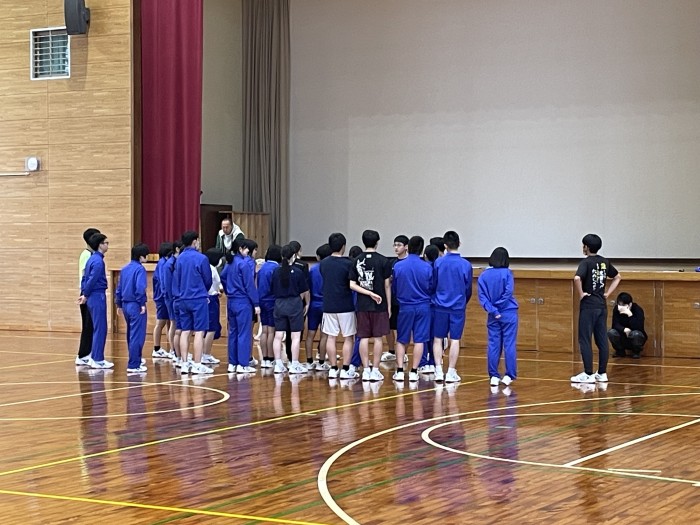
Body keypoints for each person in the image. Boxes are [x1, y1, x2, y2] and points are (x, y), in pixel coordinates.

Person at [572, 233, 621, 384]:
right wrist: (607, 293)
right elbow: (617, 277)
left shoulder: (586, 263)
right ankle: (602, 373)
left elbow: (577, 278)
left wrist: (581, 294)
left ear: (586, 247)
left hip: (588, 305)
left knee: (585, 338)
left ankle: (588, 373)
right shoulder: (604, 262)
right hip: (601, 305)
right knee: (602, 339)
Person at [349, 230, 392, 382]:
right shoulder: (384, 261)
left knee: (363, 337)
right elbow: (387, 286)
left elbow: (352, 284)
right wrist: (388, 306)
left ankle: (366, 370)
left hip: (362, 305)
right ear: (377, 242)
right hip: (379, 305)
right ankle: (375, 370)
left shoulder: (356, 260)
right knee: (378, 338)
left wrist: (367, 293)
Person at [432, 230, 473, 383]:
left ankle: (438, 370)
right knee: (455, 339)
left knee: (437, 338)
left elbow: (433, 284)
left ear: (445, 245)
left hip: (440, 305)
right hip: (457, 306)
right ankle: (451, 372)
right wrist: (463, 301)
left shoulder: (438, 262)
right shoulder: (466, 264)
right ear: (459, 243)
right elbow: (468, 288)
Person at [172, 230, 214, 375]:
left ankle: (184, 363)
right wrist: (203, 291)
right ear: (195, 241)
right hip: (198, 299)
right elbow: (208, 280)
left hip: (183, 298)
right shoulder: (201, 258)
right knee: (199, 332)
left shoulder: (179, 259)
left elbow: (177, 279)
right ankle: (197, 364)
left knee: (185, 331)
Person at [392, 236, 433, 382]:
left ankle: (400, 371)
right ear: (422, 250)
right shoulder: (427, 267)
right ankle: (414, 371)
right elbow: (431, 287)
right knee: (419, 339)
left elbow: (395, 287)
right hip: (423, 306)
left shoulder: (398, 266)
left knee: (401, 339)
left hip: (405, 306)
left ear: (408, 247)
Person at [477, 247, 518, 387]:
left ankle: (493, 376)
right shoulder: (507, 273)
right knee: (509, 344)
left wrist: (493, 310)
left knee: (493, 345)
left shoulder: (483, 275)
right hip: (509, 312)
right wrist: (499, 306)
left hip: (492, 315)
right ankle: (509, 375)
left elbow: (482, 297)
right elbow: (508, 292)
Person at [320, 232, 357, 380]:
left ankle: (333, 368)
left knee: (331, 337)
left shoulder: (323, 263)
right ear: (343, 246)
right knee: (348, 337)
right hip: (346, 305)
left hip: (329, 304)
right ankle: (346, 368)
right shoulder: (348, 263)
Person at [221, 238, 260, 374]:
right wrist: (256, 303)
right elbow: (250, 286)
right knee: (244, 333)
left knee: (233, 333)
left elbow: (223, 277)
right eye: (245, 248)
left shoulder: (229, 263)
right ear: (240, 249)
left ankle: (232, 363)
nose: (248, 250)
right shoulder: (243, 264)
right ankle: (243, 364)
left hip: (231, 301)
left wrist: (228, 290)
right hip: (243, 301)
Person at [272, 245, 310, 374]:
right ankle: (294, 364)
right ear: (294, 256)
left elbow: (272, 288)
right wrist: (307, 304)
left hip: (279, 303)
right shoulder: (298, 272)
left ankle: (278, 364)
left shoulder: (275, 271)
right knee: (295, 336)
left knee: (278, 335)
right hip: (294, 303)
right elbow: (304, 290)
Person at [78, 232, 113, 369]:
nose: (107, 245)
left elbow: (84, 278)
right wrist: (86, 294)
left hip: (92, 295)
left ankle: (95, 357)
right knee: (100, 327)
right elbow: (92, 279)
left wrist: (84, 293)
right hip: (97, 295)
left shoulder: (92, 259)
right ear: (100, 245)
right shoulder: (98, 261)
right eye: (106, 243)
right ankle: (97, 359)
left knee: (97, 327)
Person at [115, 243, 150, 373]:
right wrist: (142, 303)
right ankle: (134, 364)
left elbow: (119, 288)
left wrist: (118, 304)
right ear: (141, 256)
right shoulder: (140, 269)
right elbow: (140, 288)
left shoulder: (124, 269)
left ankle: (135, 360)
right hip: (135, 304)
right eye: (146, 255)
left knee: (131, 334)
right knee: (137, 335)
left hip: (125, 304)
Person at [381, 235, 409, 362]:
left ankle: (403, 352)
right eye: (395, 245)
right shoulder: (391, 263)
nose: (396, 248)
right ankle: (391, 351)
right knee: (389, 327)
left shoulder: (409, 263)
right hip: (391, 300)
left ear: (406, 247)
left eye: (399, 245)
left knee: (403, 328)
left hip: (404, 301)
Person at [76, 227, 100, 366]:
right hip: (87, 292)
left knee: (90, 324)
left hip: (88, 292)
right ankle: (83, 354)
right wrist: (85, 293)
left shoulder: (92, 254)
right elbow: (86, 275)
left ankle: (87, 352)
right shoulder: (87, 255)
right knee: (87, 325)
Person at [306, 243, 332, 371]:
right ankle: (321, 361)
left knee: (310, 334)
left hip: (313, 304)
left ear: (318, 256)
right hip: (326, 304)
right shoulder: (330, 269)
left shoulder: (312, 269)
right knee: (324, 335)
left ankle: (309, 361)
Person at [257, 244, 282, 368]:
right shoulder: (276, 269)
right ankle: (271, 358)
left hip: (261, 300)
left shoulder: (262, 268)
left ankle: (264, 358)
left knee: (264, 330)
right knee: (271, 331)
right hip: (272, 301)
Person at [417, 244, 440, 374]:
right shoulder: (438, 268)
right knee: (434, 336)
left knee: (422, 334)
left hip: (425, 303)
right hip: (436, 305)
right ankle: (433, 362)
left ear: (425, 255)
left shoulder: (423, 268)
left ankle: (423, 362)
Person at [608, 292, 647, 358]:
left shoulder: (638, 309)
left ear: (630, 304)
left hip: (634, 336)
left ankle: (636, 352)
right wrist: (624, 329)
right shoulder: (616, 309)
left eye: (623, 305)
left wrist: (630, 315)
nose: (621, 307)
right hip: (622, 335)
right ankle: (620, 351)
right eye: (619, 305)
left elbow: (639, 327)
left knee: (636, 334)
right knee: (611, 332)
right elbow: (615, 324)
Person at [151, 242, 173, 359]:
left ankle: (172, 348)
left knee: (170, 322)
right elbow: (162, 280)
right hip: (162, 298)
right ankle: (157, 348)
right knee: (161, 322)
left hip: (163, 297)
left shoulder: (164, 262)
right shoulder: (162, 264)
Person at [203, 249, 224, 366]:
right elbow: (209, 284)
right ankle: (205, 354)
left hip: (212, 297)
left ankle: (205, 353)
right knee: (211, 328)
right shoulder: (210, 268)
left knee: (209, 327)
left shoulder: (210, 267)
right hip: (211, 299)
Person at [163, 240, 183, 361]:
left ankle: (177, 350)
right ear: (177, 249)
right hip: (171, 298)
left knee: (176, 323)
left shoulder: (177, 262)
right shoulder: (169, 264)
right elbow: (167, 284)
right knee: (173, 323)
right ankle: (173, 349)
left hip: (176, 297)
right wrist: (171, 298)